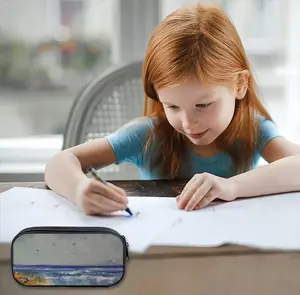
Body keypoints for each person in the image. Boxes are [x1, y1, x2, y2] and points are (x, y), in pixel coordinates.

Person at [45, 3, 300, 215]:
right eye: (172, 106)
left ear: (240, 85)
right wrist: (79, 189)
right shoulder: (147, 135)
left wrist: (231, 187)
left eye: (203, 105)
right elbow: (59, 163)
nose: (188, 123)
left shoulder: (254, 130)